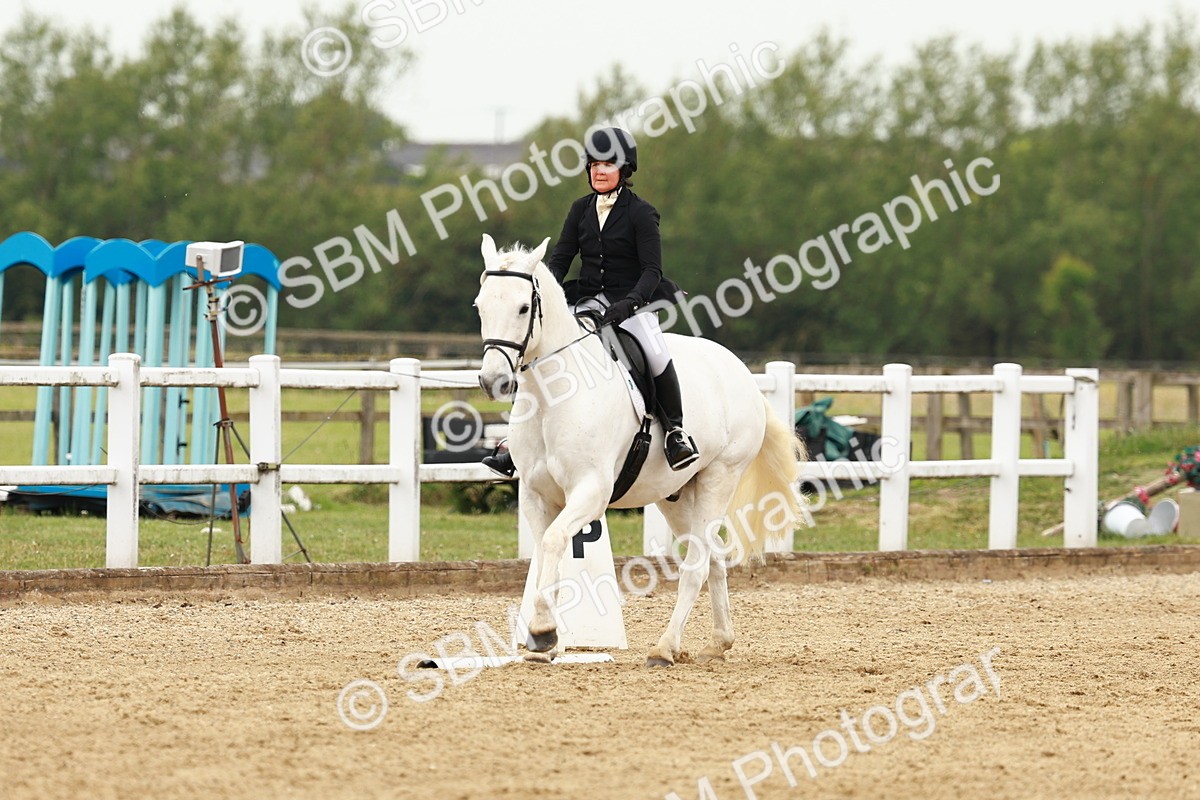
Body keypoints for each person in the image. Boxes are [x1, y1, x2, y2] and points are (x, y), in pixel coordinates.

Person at [483, 126, 699, 478]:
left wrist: (629, 304)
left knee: (654, 351)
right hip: (584, 299)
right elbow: (560, 260)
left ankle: (676, 432)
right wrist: (545, 293)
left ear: (624, 169)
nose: (599, 171)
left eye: (608, 164)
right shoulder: (580, 209)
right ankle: (515, 441)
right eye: (594, 164)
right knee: (537, 352)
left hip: (631, 302)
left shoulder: (642, 213)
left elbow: (652, 271)